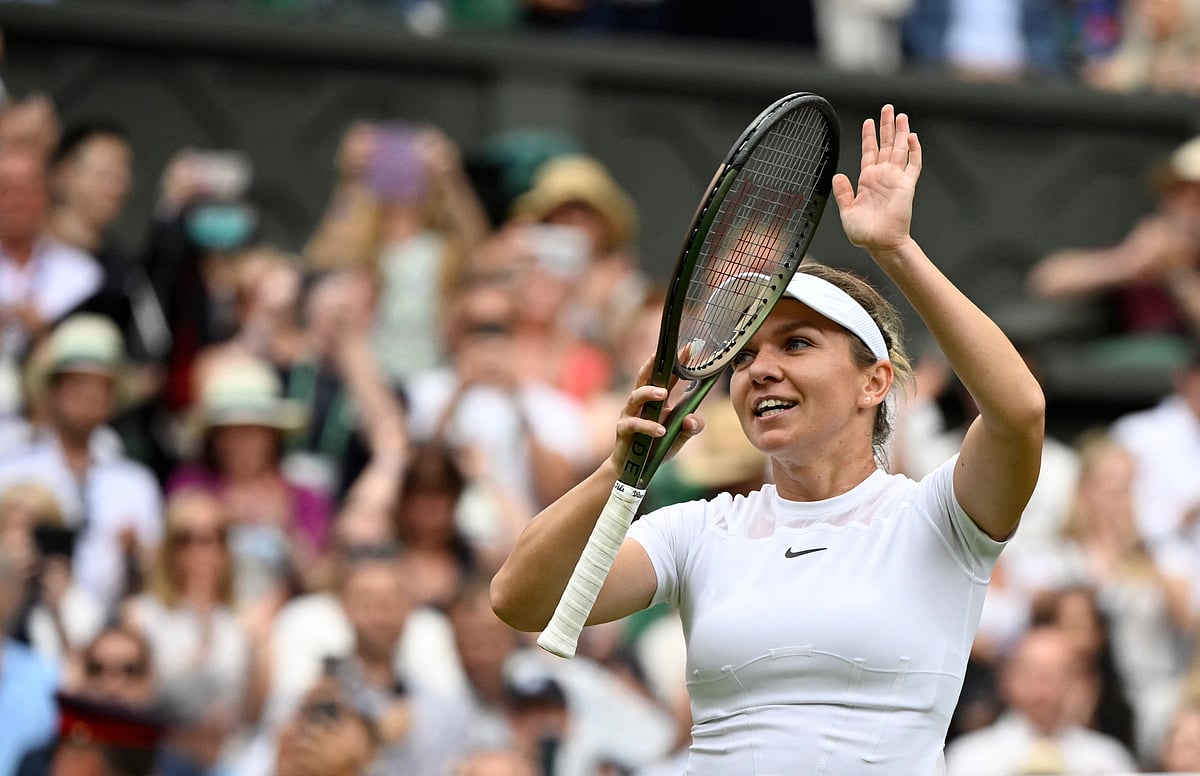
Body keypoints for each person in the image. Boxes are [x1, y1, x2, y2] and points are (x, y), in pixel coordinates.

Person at [491, 105, 1047, 773]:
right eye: (745, 353)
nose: (760, 369)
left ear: (874, 383)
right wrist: (619, 467)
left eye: (798, 343)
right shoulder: (697, 532)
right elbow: (521, 600)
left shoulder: (937, 518)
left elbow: (1018, 413)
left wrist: (895, 250)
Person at [943, 625, 1138, 775]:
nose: (1042, 686)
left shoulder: (1108, 760)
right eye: (1031, 672)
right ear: (1007, 679)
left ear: (1079, 682)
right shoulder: (967, 758)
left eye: (1056, 673)